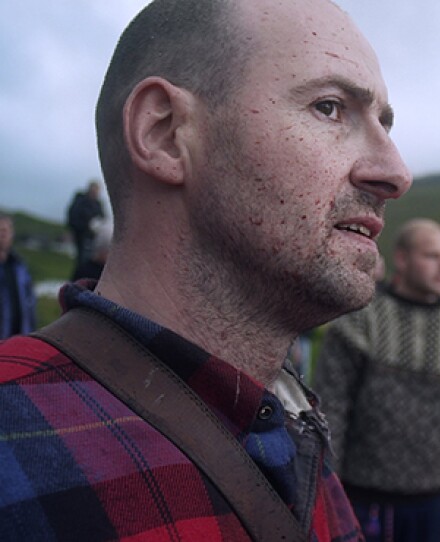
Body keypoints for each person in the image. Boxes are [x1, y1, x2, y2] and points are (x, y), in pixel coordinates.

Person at [0, 0, 412, 540]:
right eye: (330, 108)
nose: (396, 172)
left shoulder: (298, 433)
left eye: (384, 122)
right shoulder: (14, 433)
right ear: (166, 133)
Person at [313, 218, 440, 542]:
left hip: (435, 499)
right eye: (432, 256)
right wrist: (326, 485)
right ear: (402, 259)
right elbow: (330, 408)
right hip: (363, 496)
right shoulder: (360, 321)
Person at [0, 212, 37, 339]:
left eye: (6, 230)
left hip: (17, 339)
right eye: (0, 230)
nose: (3, 234)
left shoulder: (20, 266)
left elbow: (30, 302)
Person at [66, 179, 106, 267]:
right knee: (82, 258)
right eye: (94, 190)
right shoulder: (80, 201)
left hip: (94, 236)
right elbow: (73, 216)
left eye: (97, 190)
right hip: (81, 234)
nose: (95, 193)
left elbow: (103, 217)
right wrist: (85, 225)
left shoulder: (98, 204)